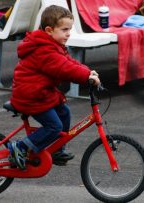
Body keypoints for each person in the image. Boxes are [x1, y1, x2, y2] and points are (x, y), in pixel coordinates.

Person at [7, 5, 101, 170]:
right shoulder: (44, 50)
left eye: (69, 29)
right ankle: (20, 147)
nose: (68, 33)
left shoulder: (53, 45)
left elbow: (68, 62)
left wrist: (87, 72)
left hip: (42, 93)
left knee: (64, 113)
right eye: (64, 29)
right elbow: (63, 68)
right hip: (31, 97)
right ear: (49, 30)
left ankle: (56, 149)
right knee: (54, 126)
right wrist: (86, 78)